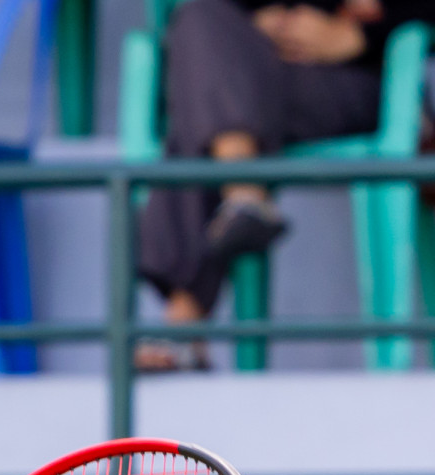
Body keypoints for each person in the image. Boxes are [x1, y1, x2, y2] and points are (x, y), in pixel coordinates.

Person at [136, 0, 435, 371]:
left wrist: (358, 35)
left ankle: (187, 314)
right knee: (202, 22)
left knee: (208, 108)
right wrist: (268, 15)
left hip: (352, 80)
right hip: (256, 65)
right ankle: (241, 192)